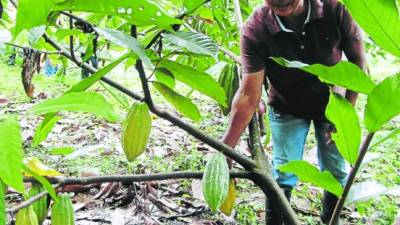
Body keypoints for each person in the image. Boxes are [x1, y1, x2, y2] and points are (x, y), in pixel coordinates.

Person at [221, 0, 368, 224]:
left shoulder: (335, 8)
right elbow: (249, 95)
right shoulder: (256, 29)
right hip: (287, 103)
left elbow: (359, 63)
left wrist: (346, 113)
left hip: (333, 105)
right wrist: (226, 148)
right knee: (284, 172)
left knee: (336, 172)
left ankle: (330, 219)